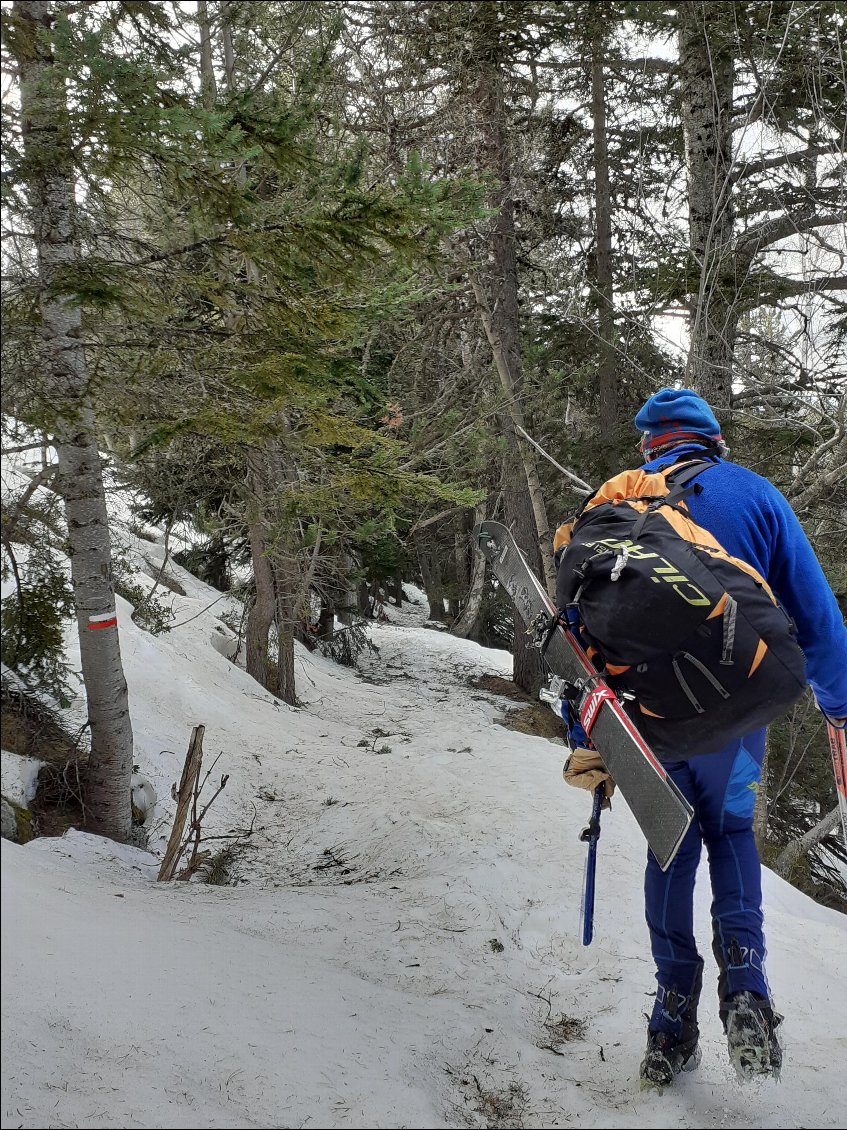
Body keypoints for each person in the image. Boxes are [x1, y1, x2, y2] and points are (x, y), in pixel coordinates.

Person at [559, 387, 847, 1087]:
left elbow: (573, 628)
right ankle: (745, 988)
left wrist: (584, 733)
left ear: (648, 444)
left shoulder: (611, 501)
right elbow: (817, 624)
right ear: (710, 440)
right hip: (735, 725)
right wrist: (838, 713)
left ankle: (669, 1017)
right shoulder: (753, 495)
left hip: (644, 725)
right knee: (730, 835)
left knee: (671, 848)